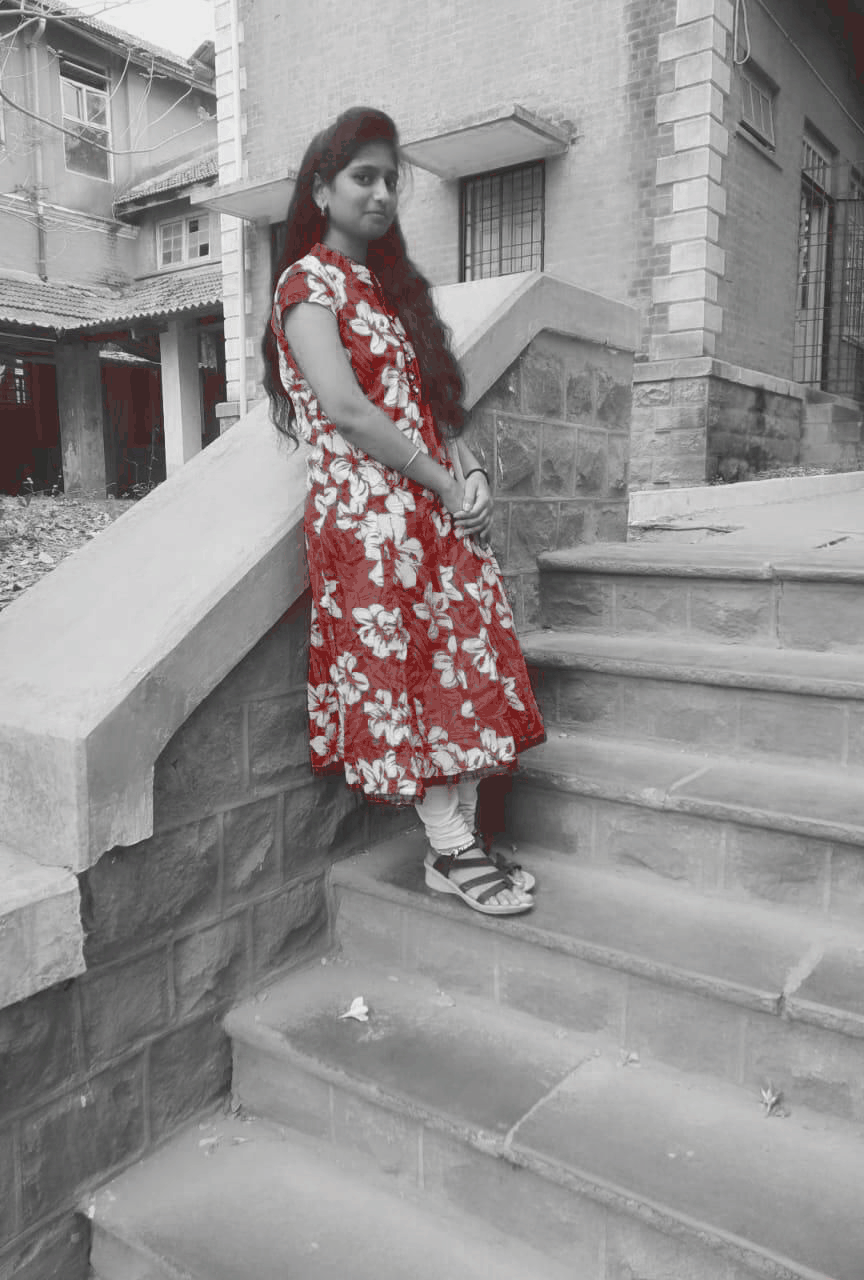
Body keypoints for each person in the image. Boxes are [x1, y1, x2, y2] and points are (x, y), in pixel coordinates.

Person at [262, 106, 547, 916]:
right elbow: (349, 411)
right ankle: (450, 844)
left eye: (391, 179)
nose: (383, 193)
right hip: (370, 520)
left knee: (462, 669)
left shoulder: (390, 291)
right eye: (364, 176)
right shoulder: (307, 284)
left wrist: (469, 469)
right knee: (410, 678)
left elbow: (427, 404)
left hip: (429, 508)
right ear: (322, 189)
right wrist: (442, 483)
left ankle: (456, 844)